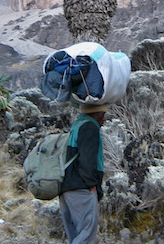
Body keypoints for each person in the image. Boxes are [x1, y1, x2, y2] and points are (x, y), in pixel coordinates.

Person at [59, 103, 107, 244]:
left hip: (66, 188)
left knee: (75, 235)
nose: (104, 120)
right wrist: (92, 185)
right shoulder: (89, 127)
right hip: (81, 190)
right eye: (103, 115)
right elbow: (87, 159)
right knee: (86, 234)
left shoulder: (76, 125)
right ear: (96, 114)